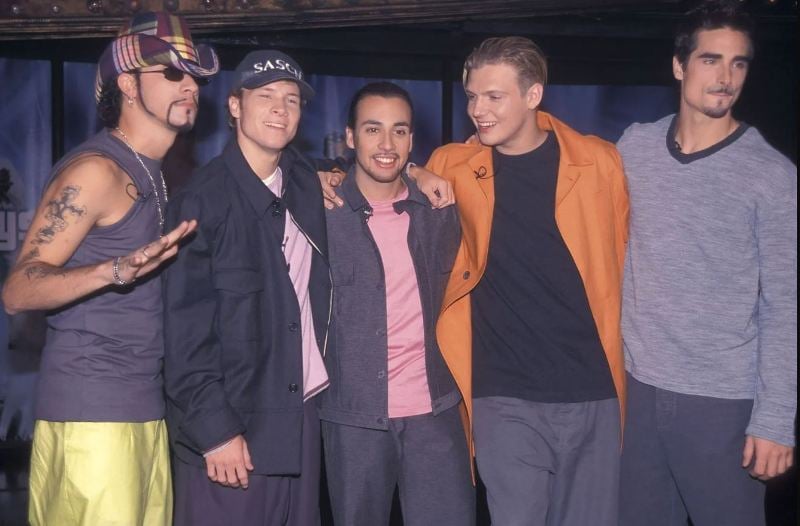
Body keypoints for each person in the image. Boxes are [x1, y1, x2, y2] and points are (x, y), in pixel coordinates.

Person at [399, 36, 629, 525]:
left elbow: (630, 259)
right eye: (472, 96)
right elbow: (383, 175)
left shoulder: (600, 164)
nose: (478, 110)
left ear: (533, 95)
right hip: (502, 395)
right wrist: (412, 171)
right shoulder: (453, 164)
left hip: (593, 391)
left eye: (493, 97)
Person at [0, 11, 216, 525]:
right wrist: (113, 269)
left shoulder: (154, 175)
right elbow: (17, 290)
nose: (189, 86)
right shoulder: (96, 170)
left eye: (194, 76)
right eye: (171, 73)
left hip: (143, 410)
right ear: (127, 84)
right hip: (92, 415)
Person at [616, 2, 796, 525]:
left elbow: (785, 306)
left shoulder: (771, 175)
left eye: (739, 63)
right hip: (638, 391)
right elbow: (566, 174)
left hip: (722, 403)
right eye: (711, 60)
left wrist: (777, 421)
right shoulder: (635, 147)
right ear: (679, 65)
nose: (726, 78)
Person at [162, 49, 330, 526]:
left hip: (298, 424)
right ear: (235, 106)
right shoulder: (201, 201)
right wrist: (215, 431)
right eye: (266, 96)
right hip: (232, 438)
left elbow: (371, 168)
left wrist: (418, 171)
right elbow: (184, 335)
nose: (281, 109)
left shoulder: (303, 182)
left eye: (292, 99)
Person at [319, 82, 473, 526]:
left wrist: (420, 173)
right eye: (372, 130)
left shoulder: (439, 209)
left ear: (411, 140)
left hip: (435, 412)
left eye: (399, 131)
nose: (386, 145)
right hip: (354, 416)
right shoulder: (322, 209)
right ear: (349, 137)